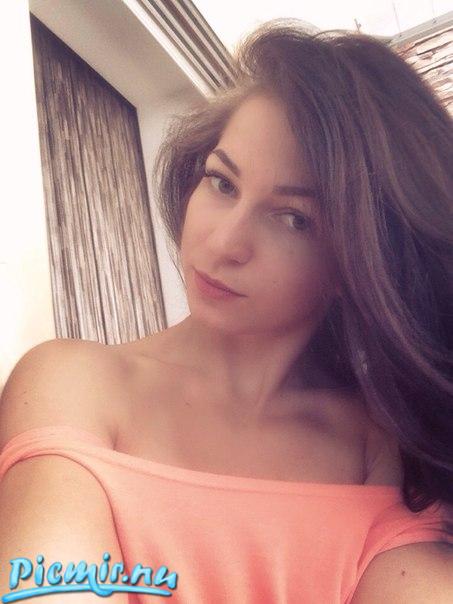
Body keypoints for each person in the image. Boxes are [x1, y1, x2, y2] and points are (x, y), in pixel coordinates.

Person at [0, 18, 452, 604]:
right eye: (222, 183)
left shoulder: (388, 455)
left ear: (360, 261)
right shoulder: (74, 382)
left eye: (293, 219)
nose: (223, 243)